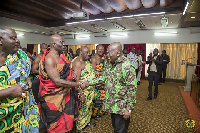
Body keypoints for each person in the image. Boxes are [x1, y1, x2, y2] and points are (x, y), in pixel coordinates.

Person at [38, 34, 87, 133]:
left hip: (66, 94)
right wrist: (79, 84)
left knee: (67, 121)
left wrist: (71, 74)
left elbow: (66, 72)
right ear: (53, 44)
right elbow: (57, 81)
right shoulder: (50, 58)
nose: (64, 44)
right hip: (53, 97)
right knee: (55, 124)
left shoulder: (62, 56)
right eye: (61, 42)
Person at [89, 42, 137, 133]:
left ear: (118, 53)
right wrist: (88, 83)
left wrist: (129, 109)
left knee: (121, 130)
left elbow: (132, 89)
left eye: (110, 52)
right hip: (112, 104)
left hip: (122, 107)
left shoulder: (127, 66)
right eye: (107, 52)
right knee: (116, 128)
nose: (107, 55)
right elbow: (104, 77)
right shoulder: (111, 64)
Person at [0, 27, 40, 132]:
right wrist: (9, 92)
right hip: (4, 121)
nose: (17, 41)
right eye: (13, 38)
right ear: (0, 40)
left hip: (22, 114)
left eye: (16, 38)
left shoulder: (19, 56)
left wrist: (27, 79)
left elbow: (23, 71)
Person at [71, 46, 96, 132]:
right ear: (81, 52)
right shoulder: (78, 62)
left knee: (88, 108)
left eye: (89, 52)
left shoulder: (86, 61)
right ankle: (79, 127)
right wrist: (80, 94)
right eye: (86, 53)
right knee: (82, 109)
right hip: (83, 91)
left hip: (89, 90)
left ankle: (86, 122)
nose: (88, 54)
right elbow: (76, 80)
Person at [91, 44, 107, 120]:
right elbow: (93, 72)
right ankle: (95, 114)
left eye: (102, 49)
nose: (101, 51)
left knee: (103, 97)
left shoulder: (104, 58)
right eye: (99, 49)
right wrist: (103, 73)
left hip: (104, 82)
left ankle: (100, 112)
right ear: (96, 50)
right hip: (97, 82)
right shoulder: (94, 59)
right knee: (97, 98)